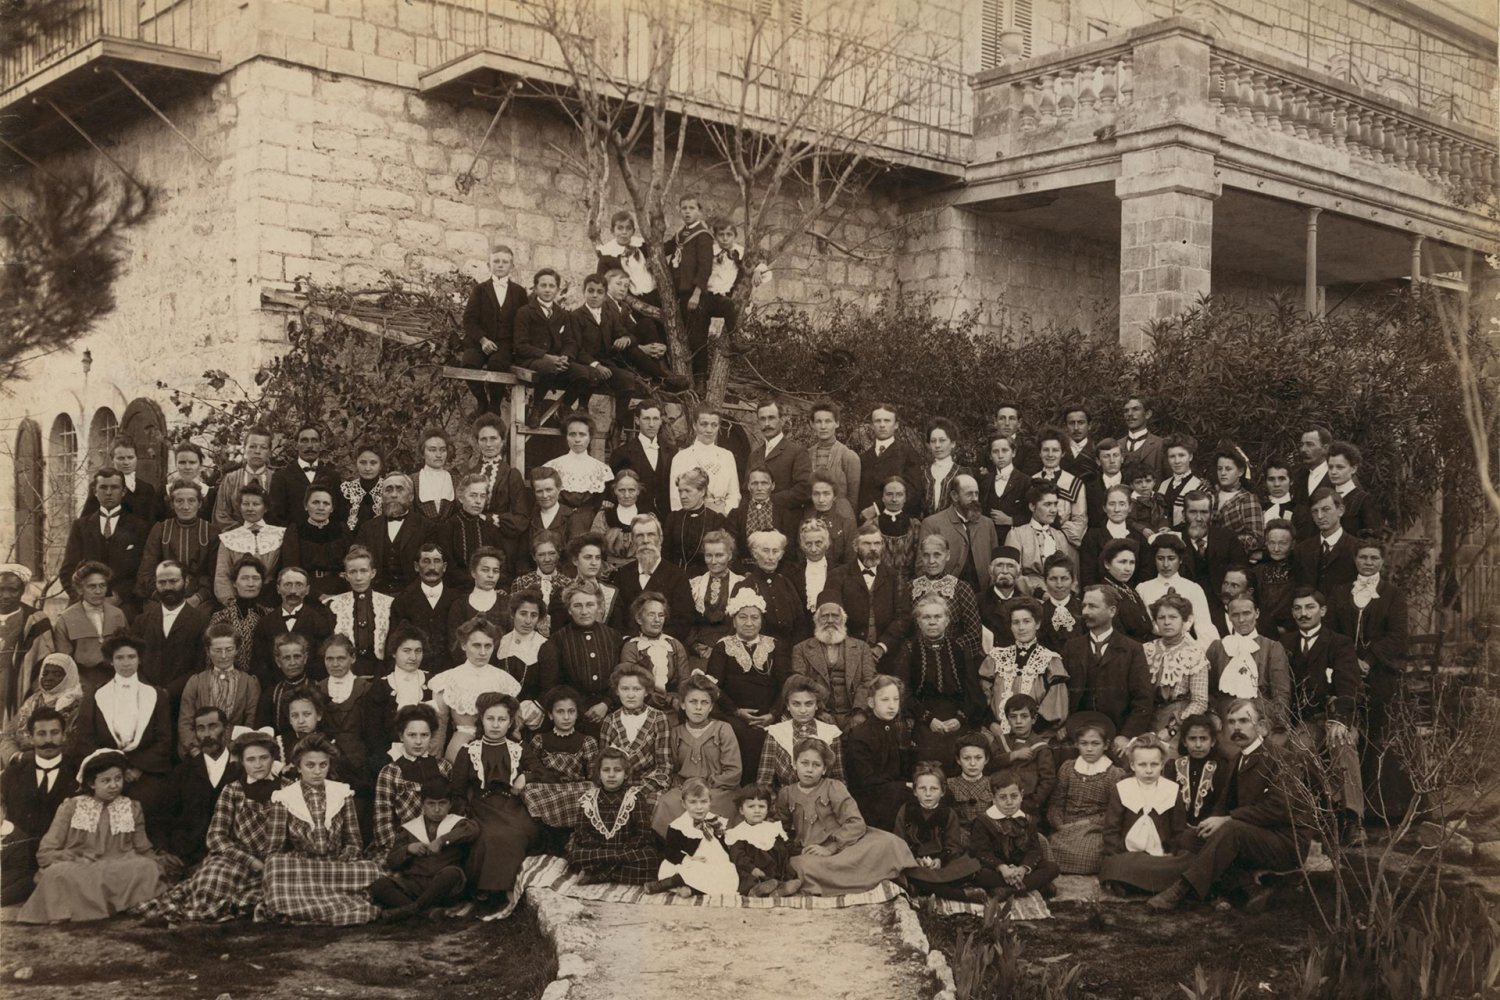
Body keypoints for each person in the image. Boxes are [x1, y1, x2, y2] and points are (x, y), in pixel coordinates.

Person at [1148, 698, 1309, 911]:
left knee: (1231, 830)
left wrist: (1228, 819)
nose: (1236, 727)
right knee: (1189, 838)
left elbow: (1278, 808)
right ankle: (1250, 887)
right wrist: (1211, 823)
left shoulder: (1284, 759)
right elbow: (1223, 804)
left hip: (1285, 842)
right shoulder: (1236, 759)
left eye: (1244, 720)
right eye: (1232, 722)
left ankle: (1183, 889)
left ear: (1261, 726)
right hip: (1249, 835)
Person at [136, 729, 284, 924]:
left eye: (264, 758)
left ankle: (242, 901)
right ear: (241, 761)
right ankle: (215, 902)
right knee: (211, 883)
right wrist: (250, 861)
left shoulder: (287, 789)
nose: (258, 764)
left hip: (275, 859)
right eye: (251, 759)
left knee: (282, 888)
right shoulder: (232, 790)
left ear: (273, 758)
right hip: (236, 858)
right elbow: (215, 837)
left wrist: (272, 860)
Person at [17, 748, 168, 923]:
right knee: (57, 873)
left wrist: (159, 863)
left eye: (118, 779)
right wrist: (68, 856)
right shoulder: (71, 807)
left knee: (147, 868)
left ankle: (115, 904)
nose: (114, 785)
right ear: (91, 783)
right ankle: (77, 908)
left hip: (119, 865)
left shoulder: (132, 808)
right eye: (106, 781)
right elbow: (46, 851)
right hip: (81, 866)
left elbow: (142, 847)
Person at [258, 733, 382, 925]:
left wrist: (350, 852)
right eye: (310, 765)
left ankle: (305, 910)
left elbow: (354, 840)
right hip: (302, 867)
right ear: (298, 767)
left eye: (323, 765)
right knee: (274, 868)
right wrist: (292, 861)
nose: (317, 771)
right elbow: (273, 849)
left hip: (334, 866)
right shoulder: (284, 797)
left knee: (372, 870)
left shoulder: (341, 792)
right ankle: (340, 906)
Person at [66, 635, 173, 843]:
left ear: (139, 659)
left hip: (144, 770)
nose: (126, 663)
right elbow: (86, 738)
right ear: (111, 661)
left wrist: (137, 767)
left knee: (147, 799)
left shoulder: (155, 694)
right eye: (120, 657)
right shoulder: (97, 694)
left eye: (131, 657)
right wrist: (115, 770)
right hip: (105, 769)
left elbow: (164, 740)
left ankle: (141, 851)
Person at [777, 739, 916, 895]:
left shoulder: (834, 787)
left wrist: (831, 847)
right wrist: (795, 848)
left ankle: (893, 878)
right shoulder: (786, 794)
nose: (809, 769)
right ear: (794, 764)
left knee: (889, 843)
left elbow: (856, 823)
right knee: (800, 865)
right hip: (812, 853)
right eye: (804, 763)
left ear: (824, 769)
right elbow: (781, 828)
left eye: (816, 765)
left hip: (845, 845)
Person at [447, 692, 538, 919]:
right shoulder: (469, 751)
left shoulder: (519, 748)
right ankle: (486, 892)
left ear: (510, 722)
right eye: (490, 719)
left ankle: (502, 891)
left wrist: (525, 777)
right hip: (481, 807)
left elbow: (541, 770)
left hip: (513, 805)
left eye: (501, 720)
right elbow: (457, 791)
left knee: (516, 832)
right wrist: (459, 818)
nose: (495, 725)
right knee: (488, 836)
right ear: (482, 720)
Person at [1283, 587, 1364, 839]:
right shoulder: (1284, 644)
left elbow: (1347, 683)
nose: (1303, 614)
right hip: (1305, 720)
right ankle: (1318, 811)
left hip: (1334, 716)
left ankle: (1352, 818)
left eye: (1309, 607)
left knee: (1342, 742)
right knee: (1298, 748)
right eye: (1297, 608)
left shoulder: (1339, 643)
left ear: (1323, 610)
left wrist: (1339, 720)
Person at [1328, 538, 1408, 757]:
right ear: (1355, 559)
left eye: (1374, 557)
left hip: (1380, 669)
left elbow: (1398, 636)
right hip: (1344, 667)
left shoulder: (1394, 595)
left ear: (1382, 561)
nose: (1368, 562)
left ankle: (1376, 779)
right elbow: (1331, 632)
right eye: (1363, 557)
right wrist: (1350, 661)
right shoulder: (1340, 592)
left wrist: (1369, 660)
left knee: (1378, 726)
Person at [705, 590, 790, 778]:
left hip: (771, 713)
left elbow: (786, 684)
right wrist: (736, 711)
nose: (749, 623)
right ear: (734, 620)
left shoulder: (775, 645)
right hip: (733, 714)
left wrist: (773, 714)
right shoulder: (723, 646)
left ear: (762, 620)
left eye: (755, 617)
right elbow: (712, 686)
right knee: (744, 735)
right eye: (743, 617)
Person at [369, 776, 479, 921]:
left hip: (445, 887)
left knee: (452, 873)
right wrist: (408, 849)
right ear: (423, 804)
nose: (437, 809)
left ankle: (410, 910)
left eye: (442, 803)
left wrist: (442, 841)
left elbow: (473, 830)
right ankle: (426, 912)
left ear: (450, 804)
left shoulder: (458, 823)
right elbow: (392, 860)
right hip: (416, 884)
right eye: (431, 804)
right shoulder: (410, 828)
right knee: (379, 885)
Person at [0, 706, 78, 906]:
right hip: (20, 860)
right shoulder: (12, 774)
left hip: (60, 856)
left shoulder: (78, 773)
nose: (48, 740)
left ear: (64, 735)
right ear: (30, 737)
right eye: (41, 734)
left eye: (54, 733)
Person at [1098, 734, 1193, 894]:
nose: (1148, 771)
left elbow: (1178, 829)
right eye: (1142, 765)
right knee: (1114, 864)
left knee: (1186, 861)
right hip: (1128, 854)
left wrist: (1171, 852)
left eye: (1154, 764)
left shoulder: (1172, 790)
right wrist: (1116, 854)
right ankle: (1146, 882)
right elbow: (1111, 829)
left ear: (1162, 764)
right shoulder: (1122, 788)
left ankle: (1133, 883)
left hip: (1160, 855)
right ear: (1133, 765)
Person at [1063, 585, 1153, 751]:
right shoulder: (1072, 648)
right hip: (1077, 737)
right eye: (1084, 606)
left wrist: (1126, 735)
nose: (1085, 612)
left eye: (1093, 606)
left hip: (1117, 739)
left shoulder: (1132, 649)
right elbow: (1063, 695)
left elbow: (1143, 700)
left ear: (1112, 611)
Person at [650, 673, 740, 836]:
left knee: (717, 804)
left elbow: (734, 772)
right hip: (686, 789)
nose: (698, 708)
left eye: (704, 702)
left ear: (711, 706)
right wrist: (685, 787)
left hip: (717, 790)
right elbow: (673, 768)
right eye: (693, 702)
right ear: (683, 704)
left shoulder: (722, 729)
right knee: (667, 802)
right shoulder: (676, 732)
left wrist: (711, 783)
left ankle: (718, 847)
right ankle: (674, 849)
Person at [537, 580, 625, 736]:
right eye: (577, 606)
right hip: (573, 719)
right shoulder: (557, 641)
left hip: (611, 713)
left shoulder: (613, 637)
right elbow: (552, 686)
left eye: (590, 605)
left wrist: (606, 703)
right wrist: (578, 709)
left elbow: (621, 677)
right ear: (569, 609)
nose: (584, 611)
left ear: (599, 606)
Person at [907, 594, 984, 768]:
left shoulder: (959, 649)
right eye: (926, 617)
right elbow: (905, 693)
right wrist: (928, 720)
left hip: (957, 717)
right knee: (926, 755)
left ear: (947, 620)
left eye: (937, 616)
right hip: (923, 718)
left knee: (960, 752)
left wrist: (960, 719)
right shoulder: (909, 649)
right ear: (918, 621)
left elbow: (972, 691)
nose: (932, 622)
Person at [567, 745, 662, 886]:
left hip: (626, 850)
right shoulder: (589, 799)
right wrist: (602, 850)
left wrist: (619, 851)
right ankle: (616, 872)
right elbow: (582, 832)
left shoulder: (635, 797)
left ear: (626, 774)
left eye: (617, 770)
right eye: (606, 770)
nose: (611, 775)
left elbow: (643, 832)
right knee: (576, 854)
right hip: (598, 851)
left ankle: (598, 875)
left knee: (650, 858)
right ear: (599, 773)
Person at [61, 469, 150, 617]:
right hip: (84, 601)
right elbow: (67, 570)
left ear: (123, 492)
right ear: (95, 491)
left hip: (124, 602)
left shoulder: (140, 527)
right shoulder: (81, 526)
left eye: (114, 487)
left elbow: (143, 571)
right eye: (103, 487)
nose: (109, 492)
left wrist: (120, 597)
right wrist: (83, 598)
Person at [430, 618, 520, 762]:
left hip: (498, 750)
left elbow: (514, 726)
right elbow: (439, 727)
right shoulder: (447, 679)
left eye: (488, 646)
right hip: (461, 749)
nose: (483, 652)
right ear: (464, 645)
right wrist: (433, 763)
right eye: (476, 645)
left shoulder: (504, 680)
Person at [895, 762, 986, 903]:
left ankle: (920, 887)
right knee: (900, 871)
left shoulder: (948, 814)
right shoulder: (906, 810)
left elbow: (953, 845)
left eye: (934, 789)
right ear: (914, 791)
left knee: (970, 866)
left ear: (942, 791)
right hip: (914, 863)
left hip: (942, 863)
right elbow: (899, 841)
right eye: (922, 789)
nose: (928, 794)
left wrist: (940, 859)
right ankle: (959, 894)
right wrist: (915, 859)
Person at [1047, 714, 1127, 874]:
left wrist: (1085, 824)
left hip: (1094, 829)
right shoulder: (1068, 768)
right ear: (1077, 744)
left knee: (1089, 854)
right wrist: (1059, 824)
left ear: (1106, 745)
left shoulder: (1113, 774)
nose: (1089, 749)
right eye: (1084, 744)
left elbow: (1113, 813)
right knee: (1046, 849)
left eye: (1095, 744)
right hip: (1066, 827)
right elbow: (1056, 803)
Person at [515, 267, 598, 420]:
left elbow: (570, 341)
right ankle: (537, 405)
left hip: (557, 361)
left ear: (558, 289)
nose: (547, 290)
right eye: (543, 285)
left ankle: (565, 406)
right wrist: (546, 357)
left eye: (552, 286)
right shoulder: (525, 312)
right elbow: (520, 345)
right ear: (535, 288)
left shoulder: (563, 314)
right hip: (530, 360)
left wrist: (566, 356)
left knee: (584, 373)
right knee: (549, 367)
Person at [164, 707, 243, 865]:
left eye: (213, 726)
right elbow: (166, 816)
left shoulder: (241, 770)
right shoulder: (182, 772)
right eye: (201, 729)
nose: (207, 734)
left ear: (226, 729)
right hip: (188, 856)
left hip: (233, 855)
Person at [979, 599, 1069, 736]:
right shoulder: (996, 657)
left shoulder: (1050, 660)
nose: (1021, 628)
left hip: (1037, 734)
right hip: (997, 734)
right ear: (1010, 626)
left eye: (1027, 621)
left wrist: (1028, 733)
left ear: (1037, 624)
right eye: (1016, 623)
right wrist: (991, 723)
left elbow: (1055, 704)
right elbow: (982, 695)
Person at [968, 769, 1061, 900]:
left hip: (1020, 867)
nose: (1009, 802)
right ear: (993, 799)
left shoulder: (1028, 820)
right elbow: (981, 852)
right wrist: (1002, 868)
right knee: (976, 873)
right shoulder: (983, 821)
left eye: (1014, 796)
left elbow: (1034, 850)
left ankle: (1008, 891)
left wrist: (1022, 869)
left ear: (1021, 795)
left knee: (1052, 868)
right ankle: (1030, 886)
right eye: (1002, 797)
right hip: (996, 869)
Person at [460, 242, 530, 412]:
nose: (500, 265)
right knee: (469, 363)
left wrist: (516, 345)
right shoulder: (480, 290)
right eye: (496, 261)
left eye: (505, 262)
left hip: (504, 344)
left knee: (497, 364)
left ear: (512, 266)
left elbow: (524, 322)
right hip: (480, 342)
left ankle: (495, 404)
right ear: (488, 264)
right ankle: (482, 400)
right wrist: (483, 340)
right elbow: (468, 319)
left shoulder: (519, 292)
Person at [372, 703, 451, 854]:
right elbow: (382, 822)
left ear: (432, 736)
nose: (418, 742)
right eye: (412, 735)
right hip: (403, 846)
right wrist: (402, 849)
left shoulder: (444, 768)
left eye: (424, 735)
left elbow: (453, 811)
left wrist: (442, 842)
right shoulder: (390, 772)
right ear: (401, 736)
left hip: (439, 846)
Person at [790, 602, 878, 731]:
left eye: (835, 616)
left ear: (843, 619)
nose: (830, 620)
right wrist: (819, 711)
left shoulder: (862, 647)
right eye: (825, 616)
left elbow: (869, 681)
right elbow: (800, 683)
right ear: (816, 620)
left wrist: (860, 712)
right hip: (818, 714)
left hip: (854, 713)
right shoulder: (801, 649)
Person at [647, 776, 739, 897]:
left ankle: (690, 889)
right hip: (689, 862)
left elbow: (723, 843)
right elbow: (670, 851)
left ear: (710, 801)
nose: (699, 807)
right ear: (684, 804)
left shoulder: (715, 820)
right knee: (687, 870)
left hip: (713, 862)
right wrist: (687, 859)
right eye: (693, 802)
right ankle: (671, 882)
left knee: (728, 872)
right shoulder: (679, 826)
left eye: (703, 801)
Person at [179, 625, 263, 755]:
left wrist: (238, 752)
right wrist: (195, 751)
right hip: (201, 751)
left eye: (229, 650)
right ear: (208, 651)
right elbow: (185, 721)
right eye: (217, 650)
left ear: (237, 650)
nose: (224, 656)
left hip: (236, 752)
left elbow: (251, 721)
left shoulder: (249, 683)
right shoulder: (195, 681)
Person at [843, 674, 912, 832]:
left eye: (896, 699)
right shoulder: (859, 734)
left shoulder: (898, 729)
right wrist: (901, 785)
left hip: (893, 790)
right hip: (869, 797)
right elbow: (863, 778)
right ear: (871, 703)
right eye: (885, 700)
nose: (891, 705)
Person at [1206, 596, 1292, 719]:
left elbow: (1282, 695)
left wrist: (1271, 724)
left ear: (1256, 613)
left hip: (1261, 716)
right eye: (1235, 615)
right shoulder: (1217, 648)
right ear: (1229, 616)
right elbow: (1207, 691)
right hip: (1224, 717)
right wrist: (1213, 716)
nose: (1241, 620)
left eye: (1247, 613)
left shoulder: (1272, 648)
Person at [756, 674, 844, 793]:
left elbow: (838, 779)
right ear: (787, 705)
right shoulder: (776, 733)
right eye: (796, 704)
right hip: (786, 802)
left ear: (817, 705)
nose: (803, 711)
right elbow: (764, 781)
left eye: (809, 704)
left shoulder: (830, 733)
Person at [250, 566, 334, 691]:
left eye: (299, 585)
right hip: (275, 690)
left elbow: (322, 662)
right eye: (287, 585)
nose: (293, 591)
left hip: (310, 690)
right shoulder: (265, 624)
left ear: (307, 590)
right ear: (278, 589)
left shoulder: (320, 622)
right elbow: (260, 663)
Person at [135, 481, 218, 606]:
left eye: (191, 501)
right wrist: (160, 596)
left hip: (199, 598)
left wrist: (198, 598)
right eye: (179, 501)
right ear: (172, 504)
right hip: (163, 594)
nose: (185, 507)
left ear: (199, 504)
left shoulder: (211, 532)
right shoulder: (160, 529)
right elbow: (146, 571)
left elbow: (215, 573)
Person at [1143, 593, 1210, 744]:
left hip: (1178, 719)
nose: (1167, 622)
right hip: (1147, 716)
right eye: (1161, 618)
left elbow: (1199, 702)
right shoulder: (1145, 650)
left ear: (1184, 620)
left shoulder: (1194, 653)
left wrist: (1172, 728)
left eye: (1173, 617)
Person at [613, 514, 694, 637]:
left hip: (666, 646)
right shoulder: (623, 575)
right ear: (633, 541)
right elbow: (617, 621)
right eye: (640, 536)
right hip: (629, 646)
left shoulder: (677, 576)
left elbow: (683, 623)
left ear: (660, 539)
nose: (645, 540)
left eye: (651, 534)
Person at [354, 474, 433, 596]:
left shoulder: (426, 527)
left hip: (414, 596)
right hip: (376, 595)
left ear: (411, 496)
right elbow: (357, 563)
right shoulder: (367, 528)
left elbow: (430, 567)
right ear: (382, 497)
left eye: (399, 489)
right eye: (388, 490)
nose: (394, 495)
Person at [911, 534, 984, 661]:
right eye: (926, 555)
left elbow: (974, 633)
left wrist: (950, 652)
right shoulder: (910, 588)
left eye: (937, 555)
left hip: (953, 658)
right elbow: (905, 630)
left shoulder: (961, 588)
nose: (931, 561)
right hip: (917, 658)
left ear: (947, 555)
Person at [920, 473, 998, 592]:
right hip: (945, 595)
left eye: (976, 494)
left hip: (983, 595)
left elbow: (995, 563)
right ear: (954, 496)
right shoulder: (932, 523)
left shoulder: (987, 524)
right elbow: (922, 566)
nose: (974, 499)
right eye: (969, 494)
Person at [1, 655, 82, 767]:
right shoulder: (32, 701)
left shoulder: (79, 704)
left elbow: (76, 744)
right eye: (45, 673)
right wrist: (16, 756)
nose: (49, 678)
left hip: (62, 765)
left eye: (57, 674)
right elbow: (8, 735)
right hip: (22, 763)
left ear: (69, 676)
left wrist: (38, 758)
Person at [325, 547, 395, 676]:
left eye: (364, 571)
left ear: (372, 573)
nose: (358, 577)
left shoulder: (389, 604)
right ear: (346, 576)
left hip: (381, 670)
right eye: (353, 572)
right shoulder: (334, 605)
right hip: (348, 671)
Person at [668, 193, 716, 377]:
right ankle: (681, 375)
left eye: (691, 208)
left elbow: (705, 268)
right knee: (682, 336)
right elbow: (666, 247)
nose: (687, 212)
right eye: (684, 208)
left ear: (699, 211)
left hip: (695, 295)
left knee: (697, 338)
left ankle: (700, 379)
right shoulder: (681, 234)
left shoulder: (703, 236)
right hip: (680, 292)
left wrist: (697, 294)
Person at [1137, 535, 1219, 644]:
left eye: (1171, 558)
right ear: (1154, 559)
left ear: (1180, 560)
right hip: (1152, 646)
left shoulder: (1193, 588)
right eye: (1160, 558)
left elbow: (1204, 626)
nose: (1165, 564)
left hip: (1185, 646)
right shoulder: (1143, 588)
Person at [390, 544, 459, 672]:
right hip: (414, 671)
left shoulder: (457, 600)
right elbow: (395, 643)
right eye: (426, 561)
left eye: (437, 561)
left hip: (450, 671)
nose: (432, 567)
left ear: (444, 567)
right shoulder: (402, 601)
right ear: (417, 566)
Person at [213, 483, 285, 604]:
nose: (250, 508)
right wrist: (231, 602)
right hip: (238, 599)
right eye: (245, 504)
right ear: (239, 507)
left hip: (273, 598)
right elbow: (222, 575)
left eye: (256, 504)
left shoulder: (280, 534)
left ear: (265, 508)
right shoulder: (229, 538)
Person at [279, 484, 353, 598]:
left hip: (340, 590)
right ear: (305, 506)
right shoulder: (296, 530)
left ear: (332, 508)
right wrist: (317, 595)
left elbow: (351, 564)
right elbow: (291, 569)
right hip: (306, 590)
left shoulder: (341, 529)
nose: (321, 507)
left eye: (326, 503)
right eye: (315, 502)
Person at [618, 593, 690, 709]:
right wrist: (666, 700)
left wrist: (679, 700)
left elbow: (684, 681)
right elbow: (631, 684)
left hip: (674, 706)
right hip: (642, 706)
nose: (657, 620)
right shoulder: (632, 647)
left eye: (661, 615)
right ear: (639, 619)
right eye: (651, 615)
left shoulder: (674, 645)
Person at [725, 784, 799, 896]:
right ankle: (756, 889)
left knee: (786, 866)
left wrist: (799, 850)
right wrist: (752, 869)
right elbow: (738, 856)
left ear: (768, 809)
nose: (757, 810)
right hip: (754, 870)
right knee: (745, 876)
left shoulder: (773, 828)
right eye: (751, 807)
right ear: (741, 810)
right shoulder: (738, 833)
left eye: (761, 806)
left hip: (774, 869)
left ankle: (780, 888)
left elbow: (786, 846)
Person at [1005, 483, 1076, 597]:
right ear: (1032, 507)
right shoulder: (1016, 534)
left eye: (1055, 504)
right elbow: (1014, 574)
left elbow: (1071, 574)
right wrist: (1040, 594)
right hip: (1030, 598)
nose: (1053, 510)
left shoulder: (1060, 536)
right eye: (1047, 504)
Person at [857, 403, 923, 521]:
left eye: (887, 421)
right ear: (872, 425)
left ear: (896, 425)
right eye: (877, 421)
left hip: (896, 523)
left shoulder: (907, 454)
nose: (882, 425)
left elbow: (914, 492)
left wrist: (876, 508)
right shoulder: (863, 458)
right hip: (866, 527)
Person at [747, 400, 811, 519]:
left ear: (781, 420)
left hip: (784, 522)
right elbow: (746, 490)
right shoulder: (754, 455)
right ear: (758, 422)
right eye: (762, 419)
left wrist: (766, 500)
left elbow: (803, 490)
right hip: (754, 521)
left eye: (771, 418)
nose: (767, 423)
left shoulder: (797, 452)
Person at [610, 401, 678, 515]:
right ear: (637, 421)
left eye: (655, 419)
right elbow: (615, 490)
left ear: (661, 421)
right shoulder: (621, 453)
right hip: (635, 517)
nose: (651, 424)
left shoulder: (671, 451)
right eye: (646, 419)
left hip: (666, 517)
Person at [737, 529, 806, 641]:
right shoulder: (744, 586)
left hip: (789, 650)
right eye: (765, 551)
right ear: (755, 553)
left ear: (781, 555)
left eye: (775, 551)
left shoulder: (786, 583)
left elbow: (800, 623)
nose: (771, 557)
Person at [993, 694, 1056, 816]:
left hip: (1027, 803)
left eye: (1024, 716)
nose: (1018, 721)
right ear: (1007, 719)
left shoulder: (1041, 748)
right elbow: (990, 764)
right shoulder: (1000, 741)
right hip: (999, 801)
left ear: (1033, 719)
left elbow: (1048, 780)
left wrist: (1032, 803)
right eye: (1013, 717)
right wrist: (1014, 755)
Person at [1179, 491, 1247, 604]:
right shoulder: (1175, 537)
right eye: (1193, 512)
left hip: (1220, 603)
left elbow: (1242, 573)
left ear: (1211, 514)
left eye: (1204, 512)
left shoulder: (1227, 538)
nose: (1199, 518)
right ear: (1183, 514)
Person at [208, 556, 273, 674]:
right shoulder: (222, 617)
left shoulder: (269, 615)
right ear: (234, 583)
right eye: (244, 578)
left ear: (262, 583)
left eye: (256, 578)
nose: (251, 583)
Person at [669, 409, 741, 514]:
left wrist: (726, 514)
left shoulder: (727, 456)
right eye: (704, 424)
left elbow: (734, 494)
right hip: (690, 518)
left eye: (714, 425)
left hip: (721, 517)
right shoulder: (681, 458)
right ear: (694, 425)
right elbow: (676, 498)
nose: (709, 430)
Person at [266, 426, 340, 527]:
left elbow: (339, 514)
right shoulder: (281, 477)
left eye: (314, 441)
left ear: (321, 445)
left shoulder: (333, 477)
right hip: (293, 539)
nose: (310, 446)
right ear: (296, 445)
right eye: (304, 441)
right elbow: (275, 517)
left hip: (327, 539)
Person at [546, 412, 615, 519]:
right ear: (566, 437)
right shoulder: (552, 467)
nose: (577, 439)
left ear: (590, 437)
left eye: (582, 434)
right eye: (572, 434)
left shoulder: (602, 471)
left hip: (591, 525)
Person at [80, 435, 161, 522]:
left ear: (136, 458)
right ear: (112, 460)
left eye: (130, 457)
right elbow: (86, 523)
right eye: (121, 458)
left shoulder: (147, 488)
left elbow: (154, 522)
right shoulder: (101, 486)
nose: (126, 462)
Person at [1169, 715, 1230, 829]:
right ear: (1184, 741)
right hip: (1179, 830)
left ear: (1212, 741)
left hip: (1212, 829)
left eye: (1203, 738)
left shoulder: (1222, 768)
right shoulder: (1174, 767)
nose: (1198, 745)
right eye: (1192, 739)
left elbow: (1223, 804)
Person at [1080, 485, 1147, 588]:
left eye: (1122, 504)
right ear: (1104, 508)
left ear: (1130, 508)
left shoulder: (1138, 538)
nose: (1117, 509)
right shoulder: (1092, 536)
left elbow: (1144, 574)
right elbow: (1088, 574)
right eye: (1111, 504)